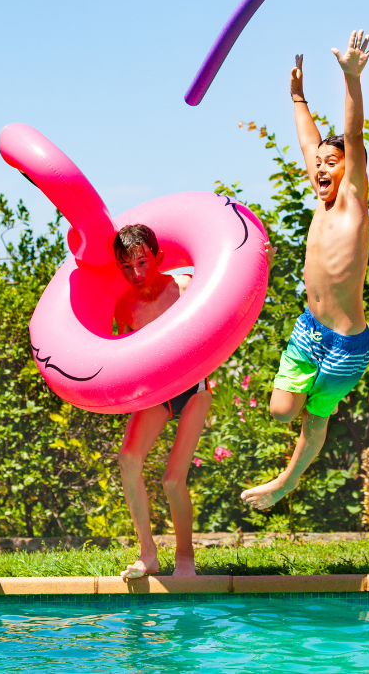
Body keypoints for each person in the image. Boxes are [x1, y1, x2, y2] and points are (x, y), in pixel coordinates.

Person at [241, 29, 369, 512]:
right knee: (282, 411)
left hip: (347, 344)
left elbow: (353, 137)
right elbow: (307, 141)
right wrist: (298, 97)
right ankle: (286, 473)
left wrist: (351, 78)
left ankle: (285, 483)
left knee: (314, 422)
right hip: (309, 329)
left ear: (349, 170)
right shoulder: (321, 200)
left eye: (330, 162)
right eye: (317, 163)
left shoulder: (352, 202)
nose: (319, 167)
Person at [114, 224, 271, 579]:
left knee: (173, 480)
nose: (136, 274)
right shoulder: (125, 306)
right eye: (126, 267)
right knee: (128, 458)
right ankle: (148, 554)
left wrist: (265, 265)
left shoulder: (184, 287)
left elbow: (231, 300)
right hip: (157, 393)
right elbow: (124, 357)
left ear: (158, 257)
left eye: (142, 262)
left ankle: (185, 557)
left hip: (193, 389)